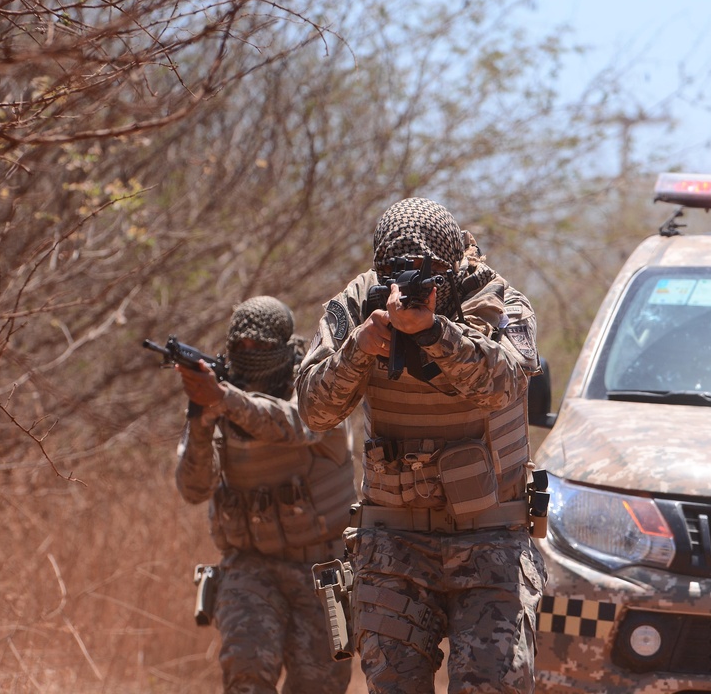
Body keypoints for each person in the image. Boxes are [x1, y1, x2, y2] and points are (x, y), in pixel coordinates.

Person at [295, 197, 547, 694]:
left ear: (449, 266)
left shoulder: (495, 299)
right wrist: (359, 348)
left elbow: (507, 384)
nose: (404, 284)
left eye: (424, 270)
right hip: (393, 546)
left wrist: (433, 333)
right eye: (391, 270)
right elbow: (314, 409)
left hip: (491, 542)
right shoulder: (358, 302)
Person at [174, 295, 355, 694]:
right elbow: (193, 488)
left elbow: (295, 425)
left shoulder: (316, 390)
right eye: (242, 346)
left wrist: (223, 399)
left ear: (285, 347)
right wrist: (202, 422)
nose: (250, 354)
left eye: (260, 346)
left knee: (319, 685)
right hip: (249, 568)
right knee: (247, 670)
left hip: (323, 572)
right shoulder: (218, 398)